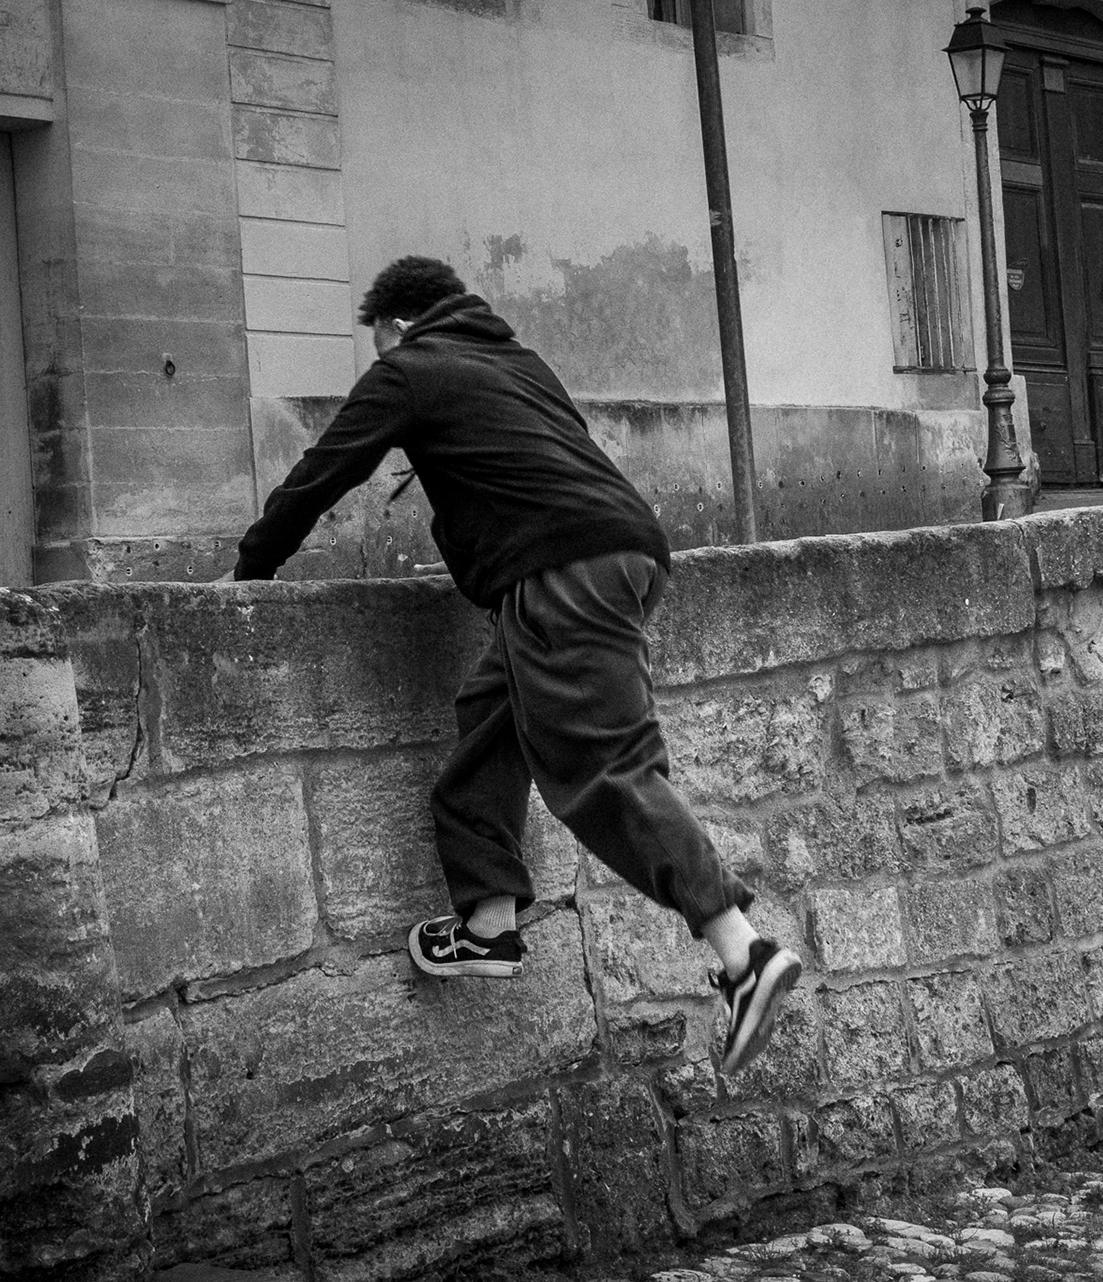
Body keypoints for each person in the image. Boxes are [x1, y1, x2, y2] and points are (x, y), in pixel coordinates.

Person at [233, 256, 799, 1074]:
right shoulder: (519, 361)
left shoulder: (412, 367)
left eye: (380, 344)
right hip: (625, 556)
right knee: (493, 716)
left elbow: (323, 472)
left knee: (606, 769)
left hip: (563, 572)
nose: (381, 357)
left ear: (395, 326)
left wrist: (249, 569)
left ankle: (743, 952)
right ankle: (489, 923)